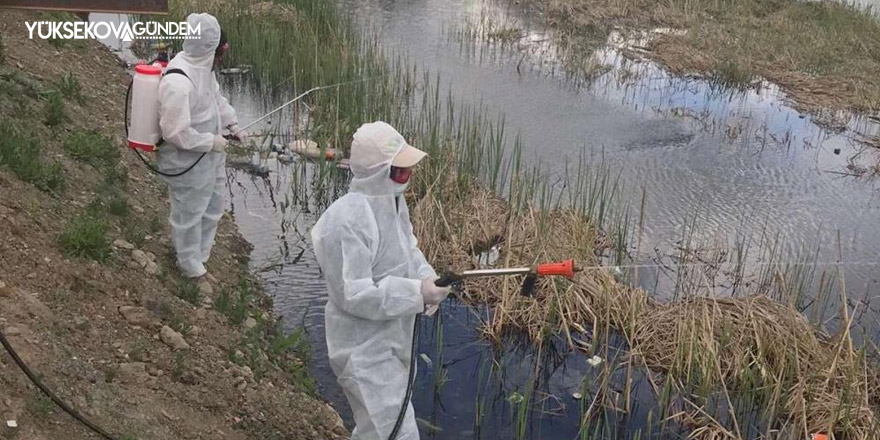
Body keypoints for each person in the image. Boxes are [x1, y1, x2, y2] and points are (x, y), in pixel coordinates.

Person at [311, 121, 452, 440]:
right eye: (400, 171)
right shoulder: (347, 222)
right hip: (361, 349)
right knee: (395, 433)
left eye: (408, 170)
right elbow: (356, 295)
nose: (407, 178)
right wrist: (416, 293)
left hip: (392, 338)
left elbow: (409, 250)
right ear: (377, 173)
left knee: (380, 430)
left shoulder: (391, 204)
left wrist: (426, 278)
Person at [157, 13, 248, 294]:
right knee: (189, 212)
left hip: (209, 157)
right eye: (223, 48)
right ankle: (189, 268)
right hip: (185, 161)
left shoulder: (204, 68)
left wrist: (232, 124)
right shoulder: (179, 81)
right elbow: (176, 133)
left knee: (213, 207)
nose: (224, 53)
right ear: (213, 47)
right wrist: (212, 142)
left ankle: (201, 257)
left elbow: (215, 99)